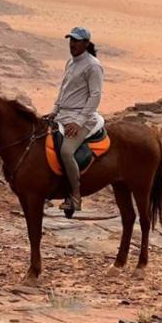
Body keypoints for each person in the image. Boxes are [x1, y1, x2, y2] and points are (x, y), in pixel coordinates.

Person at [52, 26, 104, 213]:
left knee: (66, 151)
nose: (72, 44)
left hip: (82, 118)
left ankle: (75, 196)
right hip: (63, 115)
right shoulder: (71, 62)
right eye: (71, 40)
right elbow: (63, 90)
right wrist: (54, 110)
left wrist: (80, 121)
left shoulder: (93, 66)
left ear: (86, 43)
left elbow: (95, 95)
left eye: (77, 41)